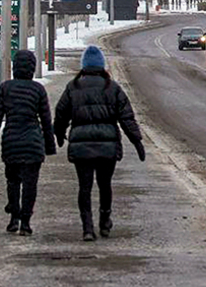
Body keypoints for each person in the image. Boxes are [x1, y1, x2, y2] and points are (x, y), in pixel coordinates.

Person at [54, 45, 145, 241]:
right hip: (107, 145)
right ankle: (105, 221)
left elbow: (61, 114)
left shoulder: (73, 87)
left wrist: (59, 135)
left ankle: (87, 228)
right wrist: (137, 141)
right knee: (105, 184)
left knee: (84, 187)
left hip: (81, 146)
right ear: (102, 65)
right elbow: (126, 117)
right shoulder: (112, 88)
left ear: (84, 66)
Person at [0, 50, 56, 236]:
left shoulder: (5, 88)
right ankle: (26, 222)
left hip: (11, 141)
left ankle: (13, 219)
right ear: (32, 69)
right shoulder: (38, 90)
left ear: (15, 67)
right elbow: (46, 121)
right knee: (30, 185)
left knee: (13, 181)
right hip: (33, 143)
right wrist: (50, 146)